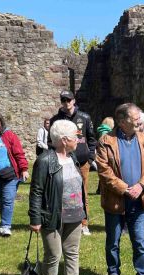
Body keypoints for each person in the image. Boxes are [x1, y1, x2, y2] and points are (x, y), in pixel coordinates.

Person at [96, 103, 144, 275]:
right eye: (134, 118)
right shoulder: (106, 141)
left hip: (138, 201)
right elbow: (104, 172)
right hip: (115, 201)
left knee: (139, 240)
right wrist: (124, 189)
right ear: (122, 122)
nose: (139, 121)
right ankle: (113, 273)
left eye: (139, 117)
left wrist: (141, 186)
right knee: (113, 240)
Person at [28, 120, 88, 275]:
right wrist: (35, 218)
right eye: (74, 137)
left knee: (72, 252)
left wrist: (84, 212)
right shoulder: (45, 160)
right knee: (53, 255)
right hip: (53, 216)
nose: (78, 140)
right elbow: (36, 191)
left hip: (75, 214)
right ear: (63, 140)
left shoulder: (74, 157)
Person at [48, 90, 97, 236]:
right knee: (62, 191)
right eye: (63, 100)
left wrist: (90, 158)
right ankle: (62, 220)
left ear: (74, 101)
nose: (66, 103)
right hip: (62, 161)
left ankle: (84, 223)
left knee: (82, 192)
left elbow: (92, 139)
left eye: (68, 100)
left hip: (82, 162)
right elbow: (50, 141)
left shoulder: (85, 117)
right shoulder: (55, 120)